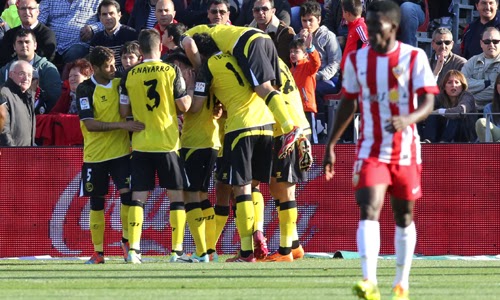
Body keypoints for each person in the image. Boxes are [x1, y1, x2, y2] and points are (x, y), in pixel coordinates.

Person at [323, 1, 438, 299]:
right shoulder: (357, 60)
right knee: (369, 207)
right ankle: (368, 281)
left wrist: (409, 118)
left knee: (403, 216)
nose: (371, 32)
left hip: (406, 150)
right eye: (368, 26)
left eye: (377, 27)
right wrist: (332, 144)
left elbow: (428, 101)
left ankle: (401, 282)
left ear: (394, 27)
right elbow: (348, 102)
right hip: (370, 147)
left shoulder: (414, 57)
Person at [191, 32, 275, 263]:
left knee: (241, 190)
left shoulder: (207, 66)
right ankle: (257, 228)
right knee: (255, 187)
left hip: (240, 128)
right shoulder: (237, 56)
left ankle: (246, 252)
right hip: (266, 123)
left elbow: (196, 106)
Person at [119, 29, 191, 264]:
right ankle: (176, 251)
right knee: (176, 197)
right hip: (167, 143)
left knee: (138, 197)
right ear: (160, 47)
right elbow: (183, 106)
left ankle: (134, 250)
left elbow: (123, 111)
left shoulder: (129, 75)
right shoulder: (171, 70)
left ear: (139, 50)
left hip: (141, 144)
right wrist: (190, 92)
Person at [182, 24, 303, 158]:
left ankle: (289, 128)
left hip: (246, 42)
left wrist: (198, 72)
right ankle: (294, 132)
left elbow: (189, 44)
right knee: (272, 89)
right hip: (264, 38)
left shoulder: (186, 36)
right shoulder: (216, 33)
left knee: (263, 88)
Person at [76, 46, 145, 264]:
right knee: (97, 203)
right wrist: (123, 125)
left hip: (121, 153)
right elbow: (90, 124)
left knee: (128, 196)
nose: (114, 68)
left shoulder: (120, 83)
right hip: (94, 156)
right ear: (95, 68)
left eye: (114, 63)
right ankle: (98, 252)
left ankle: (127, 242)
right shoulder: (85, 89)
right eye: (108, 66)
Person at [165, 52, 221, 263]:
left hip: (195, 144)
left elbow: (192, 107)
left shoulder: (196, 85)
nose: (174, 74)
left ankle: (201, 252)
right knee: (201, 196)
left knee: (190, 196)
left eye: (177, 69)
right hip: (211, 142)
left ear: (188, 70)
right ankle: (210, 250)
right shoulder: (209, 81)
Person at [264, 57, 311, 262]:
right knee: (276, 186)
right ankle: (294, 244)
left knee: (285, 189)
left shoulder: (264, 65)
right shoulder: (278, 62)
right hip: (290, 127)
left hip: (288, 129)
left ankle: (285, 251)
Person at [298, 1, 342, 140]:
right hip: (305, 79)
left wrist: (318, 76)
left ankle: (319, 126)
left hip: (328, 79)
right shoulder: (298, 38)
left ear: (319, 19)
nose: (307, 24)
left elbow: (335, 63)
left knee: (312, 89)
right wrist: (302, 43)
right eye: (304, 21)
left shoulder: (328, 36)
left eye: (310, 20)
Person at [0, 29, 61, 112]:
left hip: (40, 117)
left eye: (27, 42)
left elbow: (54, 99)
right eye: (20, 42)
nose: (24, 45)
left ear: (35, 45)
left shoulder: (47, 69)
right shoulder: (5, 70)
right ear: (14, 46)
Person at [38, 0, 104, 64]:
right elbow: (39, 22)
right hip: (51, 43)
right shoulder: (48, 1)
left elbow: (108, 20)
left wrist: (93, 29)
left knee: (76, 52)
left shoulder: (97, 1)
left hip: (77, 45)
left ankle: (70, 74)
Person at [423, 70, 477, 143]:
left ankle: (444, 142)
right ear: (444, 87)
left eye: (457, 82)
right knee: (432, 115)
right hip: (442, 132)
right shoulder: (441, 97)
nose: (453, 85)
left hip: (465, 137)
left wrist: (440, 111)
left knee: (454, 115)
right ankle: (428, 141)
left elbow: (461, 111)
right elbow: (425, 106)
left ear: (462, 86)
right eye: (449, 82)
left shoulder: (468, 96)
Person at [0, 0, 57, 67]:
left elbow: (46, 59)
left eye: (30, 8)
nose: (27, 12)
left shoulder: (47, 35)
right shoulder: (9, 34)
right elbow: (4, 58)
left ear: (37, 12)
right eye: (23, 8)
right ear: (18, 12)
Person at [90, 0, 139, 74]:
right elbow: (93, 65)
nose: (108, 17)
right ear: (100, 18)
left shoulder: (132, 35)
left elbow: (136, 62)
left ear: (119, 15)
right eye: (104, 14)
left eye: (111, 13)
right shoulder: (96, 40)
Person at [289, 32, 321, 143]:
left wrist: (310, 48)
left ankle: (314, 160)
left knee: (310, 137)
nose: (293, 54)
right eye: (291, 52)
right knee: (298, 138)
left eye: (296, 51)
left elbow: (316, 63)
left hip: (307, 108)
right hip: (295, 109)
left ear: (305, 54)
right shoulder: (291, 70)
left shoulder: (308, 66)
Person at [461, 26, 500, 111]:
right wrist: (486, 83)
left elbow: (496, 92)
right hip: (471, 111)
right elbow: (462, 85)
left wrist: (471, 99)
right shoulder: (472, 61)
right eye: (487, 41)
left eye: (496, 41)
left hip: (496, 112)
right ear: (481, 43)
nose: (491, 45)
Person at [249, 0, 296, 68]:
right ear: (253, 12)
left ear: (273, 11)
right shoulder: (247, 31)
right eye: (256, 10)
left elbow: (283, 64)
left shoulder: (286, 32)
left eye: (265, 9)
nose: (260, 12)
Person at [0, 60, 35, 146]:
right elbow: (3, 131)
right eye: (22, 74)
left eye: (30, 75)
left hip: (26, 154)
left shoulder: (28, 95)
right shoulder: (3, 94)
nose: (26, 78)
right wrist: (13, 154)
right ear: (11, 74)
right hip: (11, 156)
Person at [340, 0, 368, 72]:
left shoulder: (360, 27)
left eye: (343, 12)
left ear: (348, 14)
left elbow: (369, 44)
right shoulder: (353, 26)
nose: (342, 15)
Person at [476, 73, 500, 142]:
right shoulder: (489, 108)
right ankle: (489, 150)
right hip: (497, 137)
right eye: (499, 83)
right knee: (481, 122)